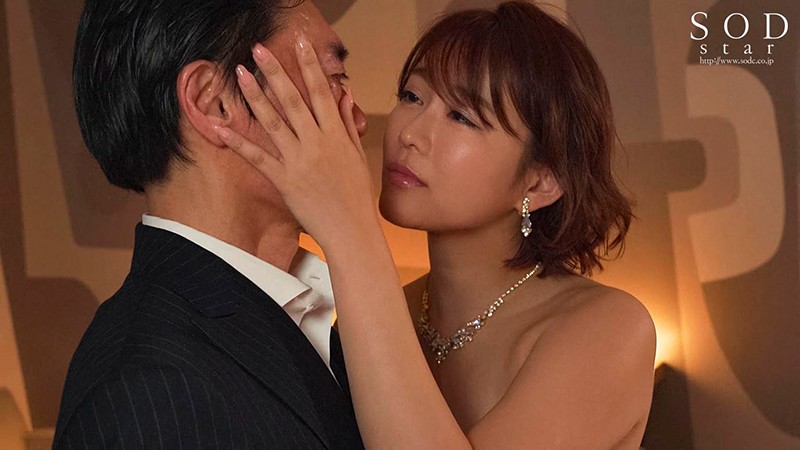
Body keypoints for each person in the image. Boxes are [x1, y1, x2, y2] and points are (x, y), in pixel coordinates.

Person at [218, 1, 657, 448]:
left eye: (461, 116)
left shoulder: (609, 329)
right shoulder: (376, 317)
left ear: (541, 181)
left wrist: (350, 228)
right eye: (412, 97)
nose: (409, 133)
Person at [53, 0, 368, 448]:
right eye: (333, 79)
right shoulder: (148, 390)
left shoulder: (303, 318)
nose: (358, 120)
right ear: (214, 102)